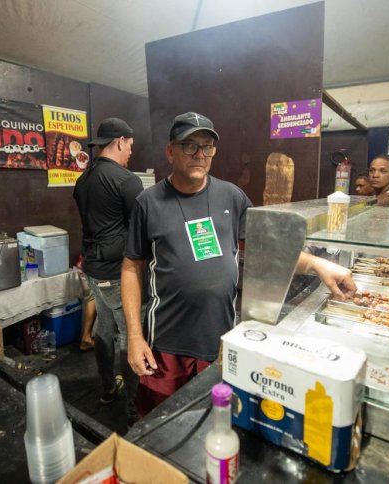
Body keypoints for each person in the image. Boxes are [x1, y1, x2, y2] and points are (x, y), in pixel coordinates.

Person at [121, 112, 357, 415]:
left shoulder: (231, 196)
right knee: (158, 425)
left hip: (219, 339)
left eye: (207, 147)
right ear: (171, 151)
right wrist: (134, 335)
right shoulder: (148, 202)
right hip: (165, 345)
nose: (200, 154)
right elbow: (131, 267)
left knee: (214, 422)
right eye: (190, 145)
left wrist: (319, 265)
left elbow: (269, 250)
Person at [73, 117, 143, 423]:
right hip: (118, 271)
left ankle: (107, 388)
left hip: (91, 265)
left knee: (103, 327)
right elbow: (140, 229)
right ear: (120, 141)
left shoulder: (83, 179)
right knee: (131, 335)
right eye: (130, 146)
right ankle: (134, 408)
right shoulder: (126, 180)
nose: (130, 152)